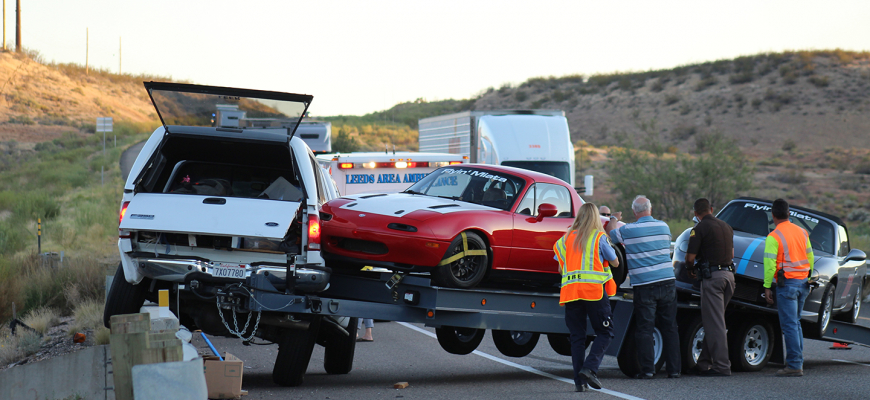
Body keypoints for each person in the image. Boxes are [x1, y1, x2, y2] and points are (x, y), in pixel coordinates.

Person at [606, 195, 681, 379]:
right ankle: (674, 370)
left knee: (645, 328)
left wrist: (614, 218)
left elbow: (609, 233)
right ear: (651, 209)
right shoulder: (664, 227)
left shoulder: (630, 230)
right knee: (670, 327)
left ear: (634, 212)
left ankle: (648, 370)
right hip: (667, 281)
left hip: (644, 284)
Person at [554, 202, 619, 392]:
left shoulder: (565, 238)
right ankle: (590, 369)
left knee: (577, 337)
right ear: (595, 218)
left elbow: (560, 268)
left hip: (571, 293)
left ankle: (579, 382)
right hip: (594, 293)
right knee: (606, 332)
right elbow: (615, 262)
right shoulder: (599, 237)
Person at [685, 198, 735, 377]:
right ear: (711, 209)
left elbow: (690, 258)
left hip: (713, 279)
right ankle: (703, 363)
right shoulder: (727, 227)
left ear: (696, 214)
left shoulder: (699, 228)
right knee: (715, 321)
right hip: (729, 278)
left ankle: (722, 366)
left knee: (715, 324)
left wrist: (690, 270)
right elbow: (732, 254)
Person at [763, 199, 813, 377]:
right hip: (803, 283)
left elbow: (769, 266)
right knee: (796, 324)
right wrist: (807, 276)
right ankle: (797, 361)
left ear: (773, 215)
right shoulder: (802, 231)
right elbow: (810, 257)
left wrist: (767, 286)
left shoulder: (774, 236)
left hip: (787, 286)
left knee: (790, 325)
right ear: (789, 213)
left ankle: (794, 365)